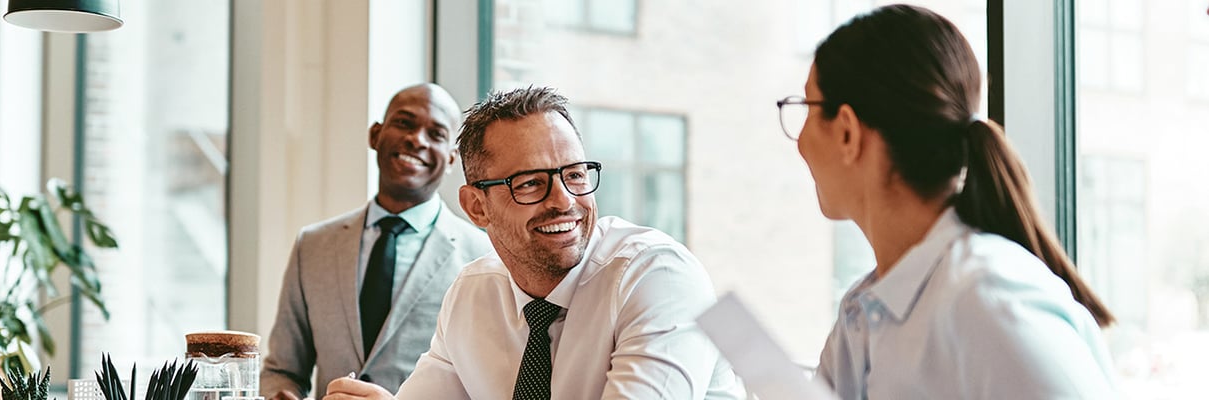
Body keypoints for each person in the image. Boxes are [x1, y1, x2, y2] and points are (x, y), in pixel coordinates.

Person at [773, 4, 1119, 399]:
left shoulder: (990, 302)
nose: (799, 142)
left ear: (848, 133)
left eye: (807, 109)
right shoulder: (863, 313)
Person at [323, 86, 744, 400]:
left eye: (575, 174)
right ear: (476, 207)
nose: (565, 202)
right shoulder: (473, 292)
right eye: (530, 183)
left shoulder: (657, 276)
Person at [260, 83, 493, 400]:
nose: (416, 139)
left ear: (452, 159)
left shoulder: (482, 258)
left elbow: (489, 387)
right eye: (404, 123)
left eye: (436, 134)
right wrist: (281, 393)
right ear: (375, 135)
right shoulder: (313, 246)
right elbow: (282, 371)